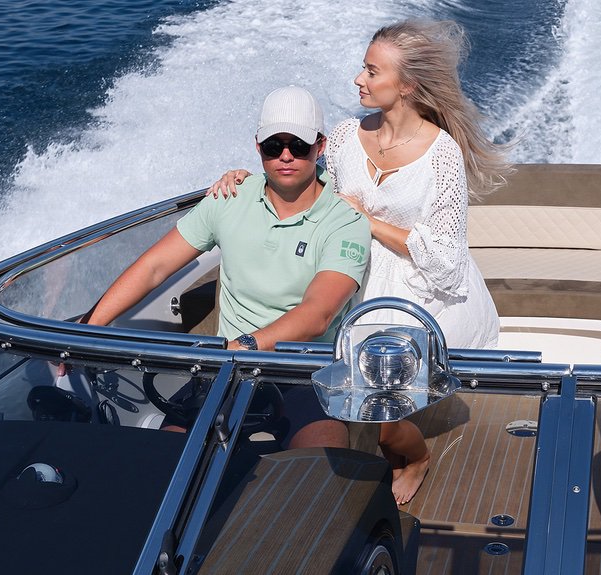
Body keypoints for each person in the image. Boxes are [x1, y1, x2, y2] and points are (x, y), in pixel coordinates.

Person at [209, 20, 511, 505]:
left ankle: (415, 457)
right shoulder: (348, 136)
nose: (359, 79)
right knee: (346, 396)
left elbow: (445, 257)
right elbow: (305, 181)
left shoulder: (442, 154)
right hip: (348, 275)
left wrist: (367, 221)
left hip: (415, 291)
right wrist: (245, 178)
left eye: (372, 71)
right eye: (363, 68)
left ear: (406, 85)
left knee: (381, 412)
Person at [83, 86, 369, 451]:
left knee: (317, 467)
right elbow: (155, 266)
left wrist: (245, 347)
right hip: (226, 371)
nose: (285, 156)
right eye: (273, 146)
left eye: (298, 146)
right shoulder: (228, 197)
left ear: (320, 146)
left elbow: (318, 314)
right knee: (159, 462)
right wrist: (92, 326)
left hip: (306, 375)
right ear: (257, 147)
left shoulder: (345, 222)